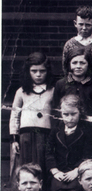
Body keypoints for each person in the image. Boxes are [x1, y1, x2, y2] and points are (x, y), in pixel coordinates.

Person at [10, 52, 55, 182]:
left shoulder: (52, 90)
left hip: (44, 134)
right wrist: (14, 138)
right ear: (28, 72)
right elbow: (14, 115)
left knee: (42, 164)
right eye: (34, 71)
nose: (38, 74)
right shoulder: (22, 91)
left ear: (47, 71)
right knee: (27, 166)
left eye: (42, 71)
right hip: (26, 136)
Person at [45, 94, 92, 191]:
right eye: (66, 114)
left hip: (77, 171)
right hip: (59, 172)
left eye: (73, 114)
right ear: (60, 113)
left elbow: (87, 155)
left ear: (80, 112)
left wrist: (77, 171)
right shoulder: (55, 130)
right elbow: (49, 153)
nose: (70, 118)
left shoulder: (86, 132)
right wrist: (55, 171)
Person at [54, 47, 92, 116]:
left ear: (88, 64)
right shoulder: (61, 84)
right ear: (69, 64)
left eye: (82, 63)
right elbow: (56, 107)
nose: (78, 66)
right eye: (74, 63)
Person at [62, 5, 92, 75]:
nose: (84, 28)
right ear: (75, 24)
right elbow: (65, 68)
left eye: (88, 25)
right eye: (81, 24)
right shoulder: (69, 44)